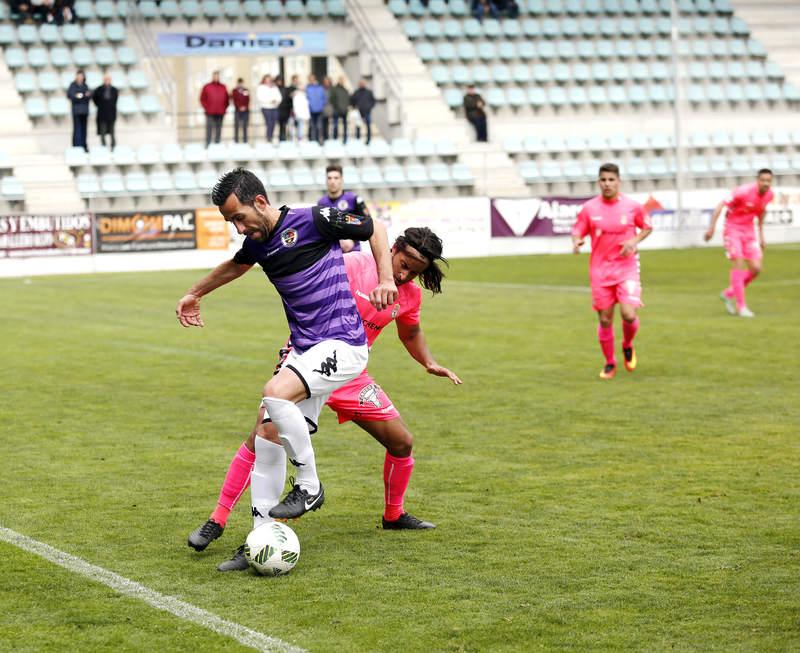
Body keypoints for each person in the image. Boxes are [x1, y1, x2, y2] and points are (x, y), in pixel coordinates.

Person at [188, 227, 462, 571]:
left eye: (415, 271)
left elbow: (410, 331)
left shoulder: (407, 295)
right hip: (311, 362)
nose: (405, 275)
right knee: (264, 434)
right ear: (391, 250)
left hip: (350, 375)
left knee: (402, 442)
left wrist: (429, 362)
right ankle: (221, 520)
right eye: (403, 264)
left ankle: (394, 515)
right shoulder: (350, 265)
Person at [176, 168, 397, 530]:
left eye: (239, 218)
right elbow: (235, 266)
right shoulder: (259, 243)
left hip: (343, 343)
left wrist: (386, 278)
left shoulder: (316, 219)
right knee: (267, 435)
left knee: (275, 394)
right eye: (232, 223)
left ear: (260, 202)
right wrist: (195, 292)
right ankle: (261, 538)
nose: (239, 228)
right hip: (305, 350)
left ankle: (309, 484)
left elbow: (373, 228)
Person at [571, 163, 653, 379]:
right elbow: (578, 229)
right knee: (605, 319)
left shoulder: (632, 206)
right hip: (600, 271)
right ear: (598, 182)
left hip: (626, 268)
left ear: (618, 181)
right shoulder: (589, 208)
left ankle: (627, 344)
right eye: (603, 180)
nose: (607, 184)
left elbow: (647, 226)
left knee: (628, 314)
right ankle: (609, 362)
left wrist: (633, 240)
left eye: (611, 180)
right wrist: (577, 240)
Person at [703, 169, 774, 318]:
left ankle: (728, 293)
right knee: (739, 263)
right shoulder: (742, 192)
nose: (766, 183)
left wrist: (761, 235)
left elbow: (761, 212)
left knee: (756, 268)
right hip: (732, 230)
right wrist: (711, 228)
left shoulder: (769, 195)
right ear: (757, 180)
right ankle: (741, 306)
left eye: (769, 181)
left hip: (749, 232)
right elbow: (720, 206)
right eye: (763, 180)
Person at [318, 164, 370, 253]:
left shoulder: (353, 199)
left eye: (336, 178)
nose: (332, 181)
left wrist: (352, 240)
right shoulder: (321, 202)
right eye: (329, 178)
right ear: (326, 181)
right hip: (331, 254)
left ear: (341, 180)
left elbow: (367, 222)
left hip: (353, 252)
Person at [199, 71, 229, 147]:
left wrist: (224, 108)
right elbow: (202, 99)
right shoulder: (207, 86)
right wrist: (207, 107)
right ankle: (208, 145)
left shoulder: (223, 87)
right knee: (209, 129)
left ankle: (217, 145)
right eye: (215, 76)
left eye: (217, 76)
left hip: (220, 112)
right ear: (212, 77)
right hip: (210, 112)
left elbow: (227, 99)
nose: (216, 77)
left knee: (218, 129)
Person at [92, 74, 118, 150]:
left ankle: (113, 147)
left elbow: (115, 101)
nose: (107, 81)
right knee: (102, 132)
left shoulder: (114, 90)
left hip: (111, 114)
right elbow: (95, 100)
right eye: (105, 79)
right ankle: (104, 147)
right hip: (102, 114)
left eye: (108, 79)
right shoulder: (98, 90)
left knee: (112, 132)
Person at [66, 70, 91, 152]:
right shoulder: (73, 85)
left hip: (84, 111)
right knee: (77, 129)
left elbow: (88, 95)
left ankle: (84, 145)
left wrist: (80, 96)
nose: (80, 78)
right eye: (79, 76)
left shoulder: (85, 85)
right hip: (76, 111)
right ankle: (77, 146)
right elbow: (72, 95)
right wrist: (82, 96)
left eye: (81, 76)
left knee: (84, 129)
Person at [256, 74, 280, 143]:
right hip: (266, 107)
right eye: (267, 79)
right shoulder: (261, 87)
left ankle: (271, 137)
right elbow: (260, 98)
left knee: (274, 123)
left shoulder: (274, 87)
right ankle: (268, 138)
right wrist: (270, 101)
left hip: (274, 107)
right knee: (269, 122)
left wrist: (276, 101)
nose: (268, 80)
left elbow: (279, 97)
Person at [351, 78, 376, 144]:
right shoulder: (356, 92)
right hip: (359, 112)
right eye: (360, 83)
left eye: (363, 83)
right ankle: (358, 140)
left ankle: (368, 140)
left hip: (367, 111)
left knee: (368, 126)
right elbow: (352, 100)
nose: (361, 85)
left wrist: (369, 107)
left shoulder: (369, 92)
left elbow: (373, 101)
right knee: (358, 126)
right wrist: (355, 107)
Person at [306, 74, 327, 144]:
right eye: (310, 79)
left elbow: (324, 98)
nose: (311, 80)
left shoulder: (320, 88)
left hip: (319, 110)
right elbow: (306, 98)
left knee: (319, 126)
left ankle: (319, 140)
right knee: (312, 126)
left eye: (312, 78)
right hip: (311, 110)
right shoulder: (308, 88)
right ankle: (313, 141)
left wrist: (321, 105)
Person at [329, 76, 350, 143]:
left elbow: (347, 100)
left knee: (345, 126)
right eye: (340, 80)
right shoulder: (334, 89)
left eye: (342, 80)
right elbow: (332, 99)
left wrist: (346, 107)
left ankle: (345, 139)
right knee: (335, 125)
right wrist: (336, 107)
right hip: (337, 110)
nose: (342, 82)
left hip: (344, 110)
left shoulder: (345, 90)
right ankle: (335, 138)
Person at [231, 77, 250, 144]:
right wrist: (239, 107)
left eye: (241, 83)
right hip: (237, 111)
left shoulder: (246, 90)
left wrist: (245, 107)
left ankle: (245, 141)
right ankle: (236, 141)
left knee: (245, 126)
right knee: (237, 126)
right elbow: (234, 100)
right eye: (239, 83)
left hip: (245, 111)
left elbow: (248, 100)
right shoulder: (234, 91)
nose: (240, 84)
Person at [278, 74, 296, 142]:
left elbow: (290, 99)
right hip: (279, 110)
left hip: (286, 110)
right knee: (281, 126)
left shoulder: (286, 89)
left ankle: (285, 138)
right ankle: (281, 138)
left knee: (285, 125)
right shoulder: (276, 88)